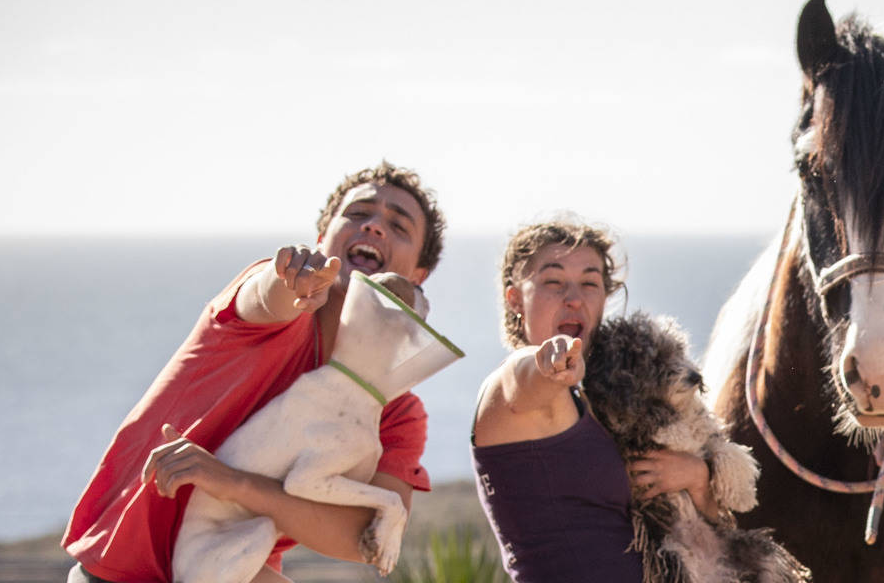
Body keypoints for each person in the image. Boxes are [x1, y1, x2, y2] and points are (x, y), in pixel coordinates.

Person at [63, 162, 447, 583]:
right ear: (322, 239)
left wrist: (232, 483)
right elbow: (267, 295)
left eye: (398, 225)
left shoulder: (397, 412)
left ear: (417, 276)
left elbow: (362, 539)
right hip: (118, 574)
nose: (374, 226)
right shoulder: (273, 311)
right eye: (358, 213)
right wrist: (291, 282)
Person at [470, 217, 720, 581]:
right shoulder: (509, 384)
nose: (573, 298)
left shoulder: (598, 404)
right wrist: (550, 361)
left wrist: (697, 477)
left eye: (590, 283)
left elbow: (710, 528)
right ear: (515, 299)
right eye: (553, 282)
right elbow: (525, 377)